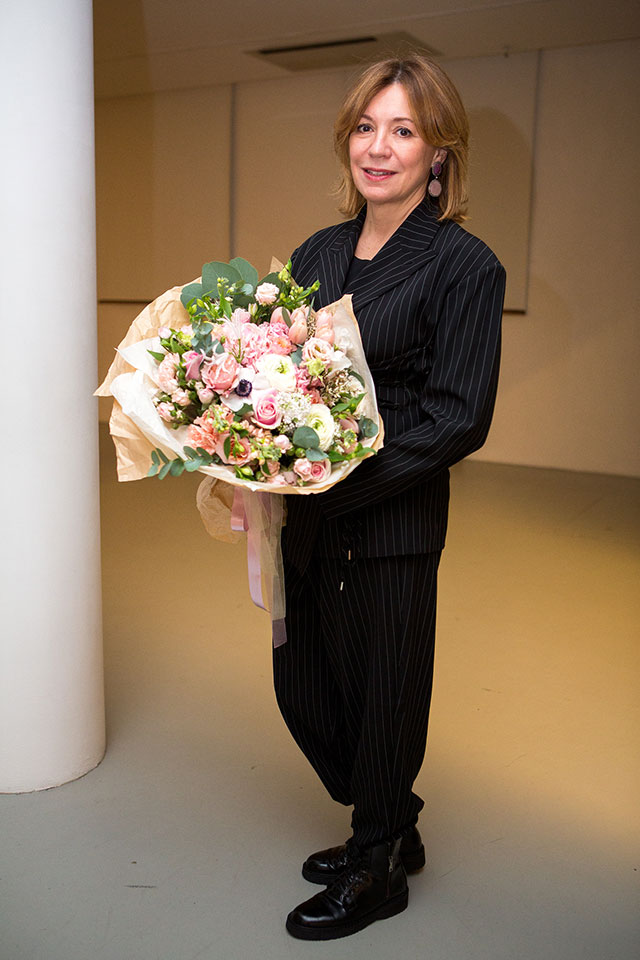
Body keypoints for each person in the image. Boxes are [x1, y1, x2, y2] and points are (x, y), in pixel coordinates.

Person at [274, 54, 506, 941]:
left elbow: (459, 418)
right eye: (366, 127)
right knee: (304, 684)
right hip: (307, 515)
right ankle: (392, 819)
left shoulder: (463, 264)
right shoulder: (317, 252)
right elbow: (278, 370)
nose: (379, 147)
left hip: (393, 518)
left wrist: (343, 478)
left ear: (439, 153)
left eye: (403, 131)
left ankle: (377, 863)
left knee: (385, 693)